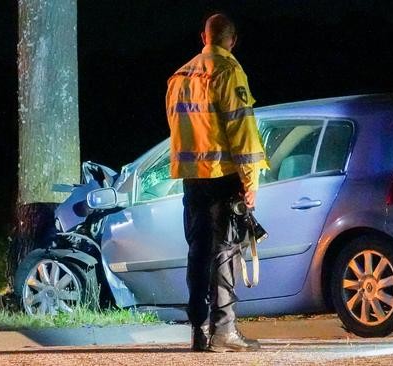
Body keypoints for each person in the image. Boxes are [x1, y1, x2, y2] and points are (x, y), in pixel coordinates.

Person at [165, 13, 269, 352]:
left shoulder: (178, 76)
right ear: (232, 40)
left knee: (198, 251)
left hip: (191, 180)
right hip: (222, 176)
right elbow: (242, 131)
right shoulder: (228, 71)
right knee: (225, 252)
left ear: (203, 37)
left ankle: (198, 328)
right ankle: (224, 331)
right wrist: (250, 181)